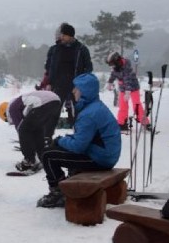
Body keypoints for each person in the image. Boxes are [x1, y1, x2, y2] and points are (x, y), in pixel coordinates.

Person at [37, 73, 121, 208]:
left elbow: (78, 146)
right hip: (104, 154)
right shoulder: (94, 107)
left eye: (76, 88)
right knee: (61, 148)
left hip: (100, 158)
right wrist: (63, 140)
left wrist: (59, 141)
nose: (73, 91)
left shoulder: (89, 114)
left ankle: (58, 193)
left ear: (84, 91)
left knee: (48, 155)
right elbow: (83, 138)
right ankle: (68, 184)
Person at [0, 90, 61, 173]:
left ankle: (29, 161)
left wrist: (26, 146)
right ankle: (42, 156)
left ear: (5, 115)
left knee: (23, 130)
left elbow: (21, 130)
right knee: (37, 129)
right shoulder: (21, 103)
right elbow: (32, 128)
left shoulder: (12, 108)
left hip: (44, 102)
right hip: (55, 100)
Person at [46, 23, 93, 126]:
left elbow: (89, 68)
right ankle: (47, 137)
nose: (61, 37)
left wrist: (82, 84)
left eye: (63, 35)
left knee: (79, 112)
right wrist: (49, 83)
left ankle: (80, 135)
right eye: (61, 35)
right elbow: (49, 68)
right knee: (53, 111)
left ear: (70, 35)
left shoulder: (81, 49)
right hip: (58, 85)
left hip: (76, 86)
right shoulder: (54, 49)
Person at [105, 51, 148, 131]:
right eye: (110, 64)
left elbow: (127, 80)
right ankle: (122, 123)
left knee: (136, 105)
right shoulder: (116, 67)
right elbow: (113, 75)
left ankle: (145, 123)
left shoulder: (126, 67)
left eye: (112, 64)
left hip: (133, 87)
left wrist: (128, 92)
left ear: (117, 61)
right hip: (123, 89)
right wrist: (110, 82)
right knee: (122, 106)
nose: (112, 66)